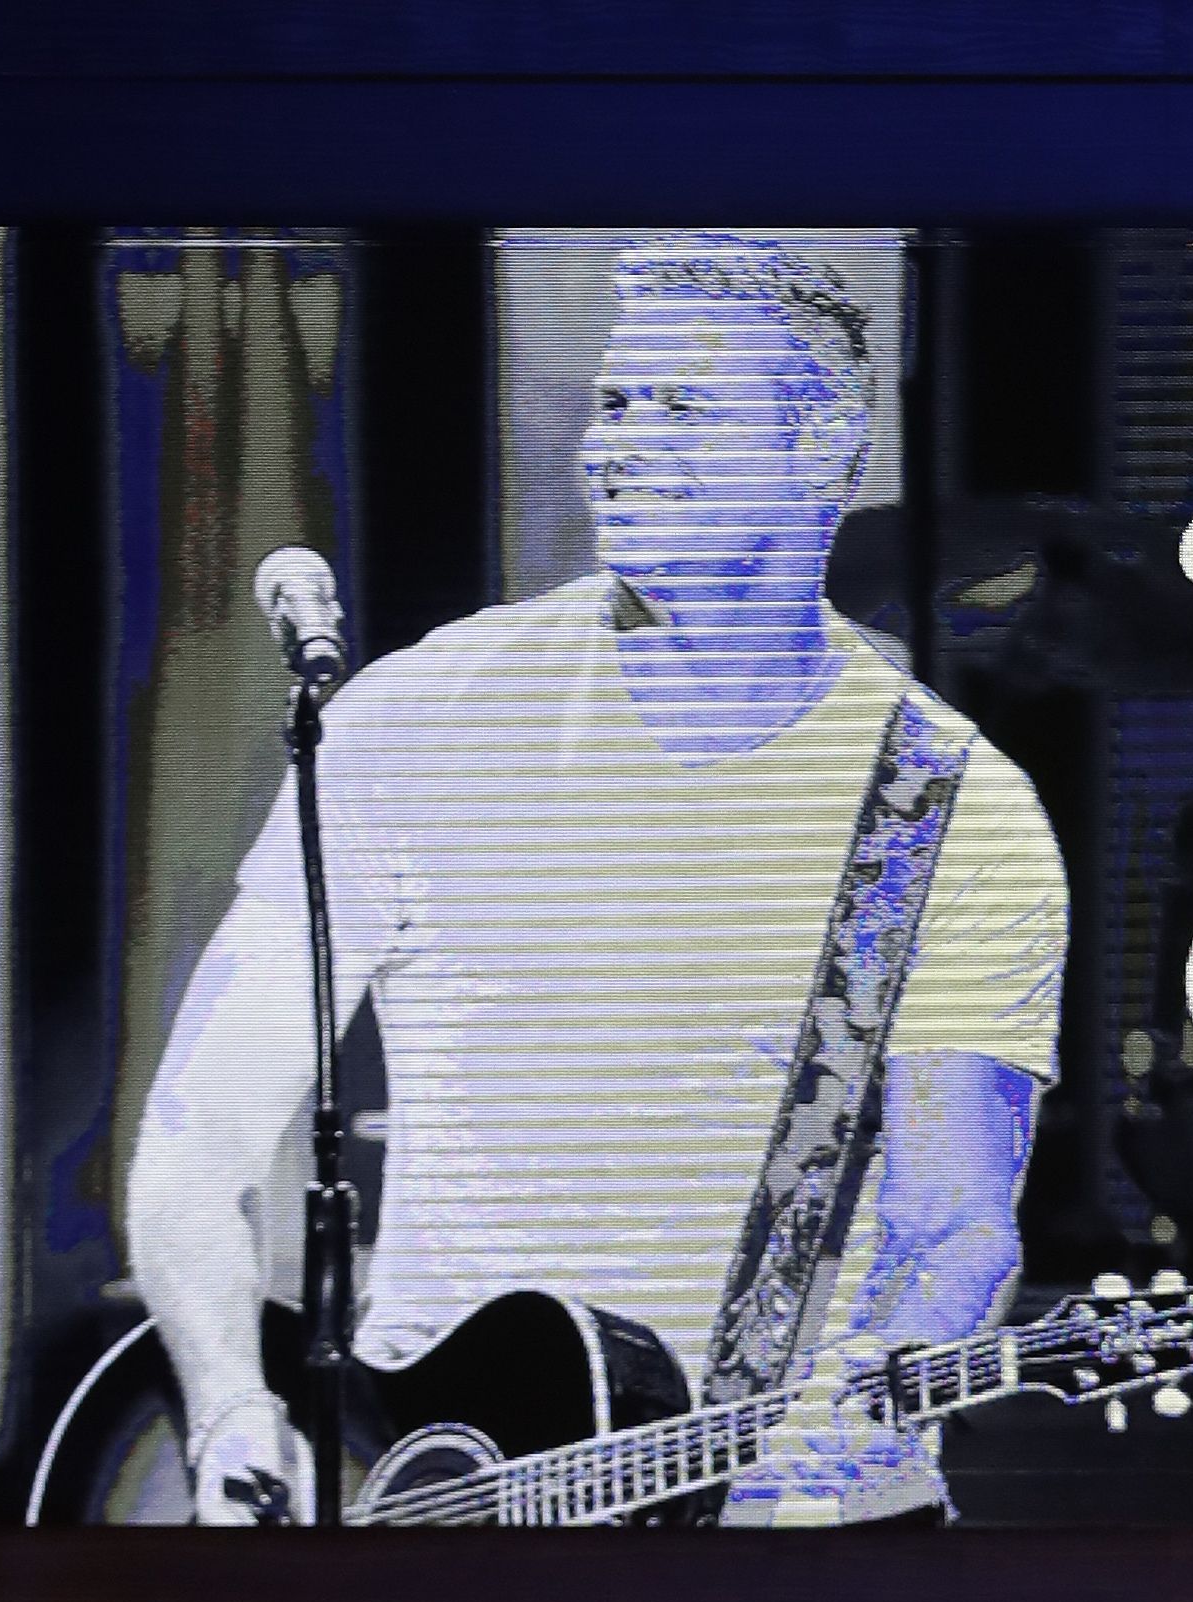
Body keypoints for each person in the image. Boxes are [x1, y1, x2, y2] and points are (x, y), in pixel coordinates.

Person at [128, 235, 1067, 1529]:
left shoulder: (954, 810)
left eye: (685, 408)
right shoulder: (411, 719)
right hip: (434, 1509)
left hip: (792, 1538)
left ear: (821, 455)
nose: (622, 445)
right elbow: (192, 1144)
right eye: (616, 404)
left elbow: (956, 1225)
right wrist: (233, 1402)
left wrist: (872, 1390)